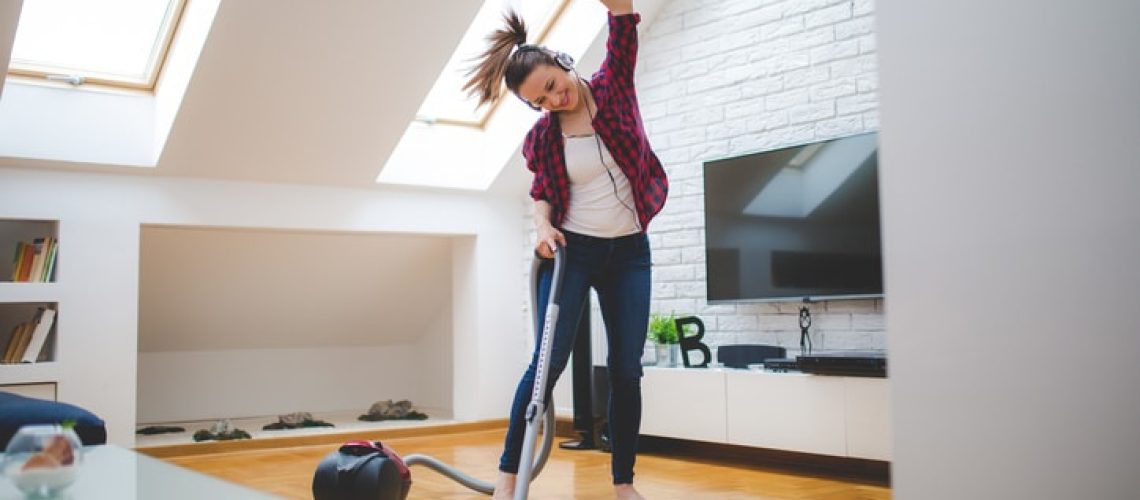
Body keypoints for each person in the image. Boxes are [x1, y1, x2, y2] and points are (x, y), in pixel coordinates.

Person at [464, 0, 667, 498]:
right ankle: (507, 477)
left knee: (626, 369)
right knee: (546, 367)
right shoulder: (543, 140)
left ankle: (623, 484)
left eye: (553, 85)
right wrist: (541, 225)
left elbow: (622, 23)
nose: (555, 99)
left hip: (629, 255)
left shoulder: (613, 87)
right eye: (541, 100)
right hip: (574, 255)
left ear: (564, 62)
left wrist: (617, 6)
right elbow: (545, 195)